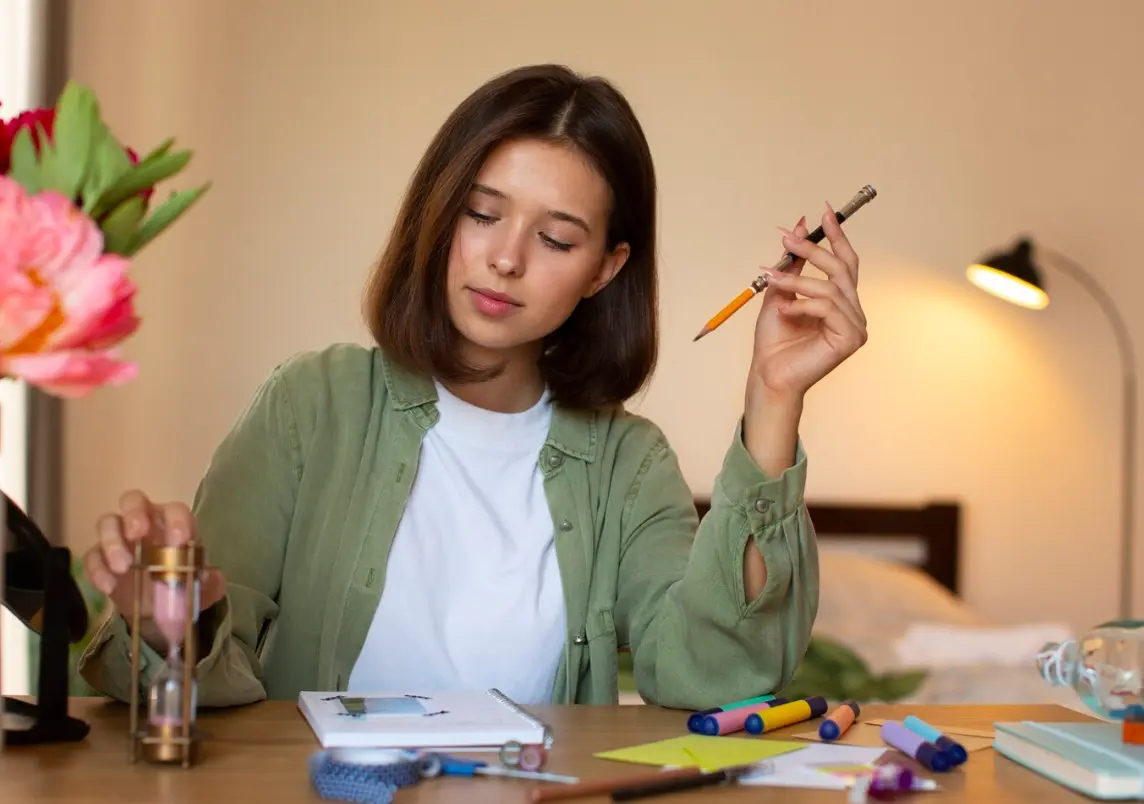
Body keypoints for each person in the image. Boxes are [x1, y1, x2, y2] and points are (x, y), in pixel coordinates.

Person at [77, 63, 868, 710]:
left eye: (557, 237)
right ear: (438, 214)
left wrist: (773, 395)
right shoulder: (311, 405)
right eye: (482, 215)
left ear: (606, 269)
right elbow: (188, 677)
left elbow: (712, 677)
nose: (507, 258)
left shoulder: (628, 464)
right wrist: (164, 621)